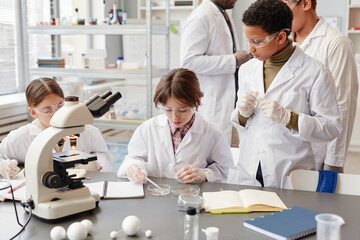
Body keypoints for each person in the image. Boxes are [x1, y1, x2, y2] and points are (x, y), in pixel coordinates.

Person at [229, 0, 341, 189]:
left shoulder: (315, 72)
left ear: (280, 37)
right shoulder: (247, 69)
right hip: (248, 170)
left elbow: (331, 128)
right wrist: (242, 112)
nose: (250, 49)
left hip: (288, 174)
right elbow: (243, 124)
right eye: (247, 39)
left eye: (256, 41)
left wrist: (290, 118)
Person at [117, 68, 253, 184]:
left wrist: (204, 174)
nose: (175, 117)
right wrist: (133, 168)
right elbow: (131, 159)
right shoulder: (148, 128)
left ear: (197, 101)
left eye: (182, 110)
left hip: (193, 200)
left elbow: (226, 171)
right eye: (168, 110)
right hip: (155, 196)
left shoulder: (211, 133)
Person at [283, 0, 358, 173]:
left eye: (284, 5)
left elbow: (343, 105)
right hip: (284, 153)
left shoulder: (336, 43)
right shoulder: (283, 41)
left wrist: (334, 161)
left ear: (306, 3)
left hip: (316, 155)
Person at [0, 78, 113, 178]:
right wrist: (3, 166)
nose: (56, 113)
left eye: (60, 105)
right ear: (33, 112)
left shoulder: (87, 131)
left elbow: (106, 158)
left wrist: (95, 164)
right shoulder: (20, 138)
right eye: (48, 110)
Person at [180, 0, 251, 146]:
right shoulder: (201, 17)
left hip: (229, 107)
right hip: (213, 107)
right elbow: (188, 61)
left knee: (231, 158)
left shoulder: (223, 14)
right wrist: (233, 61)